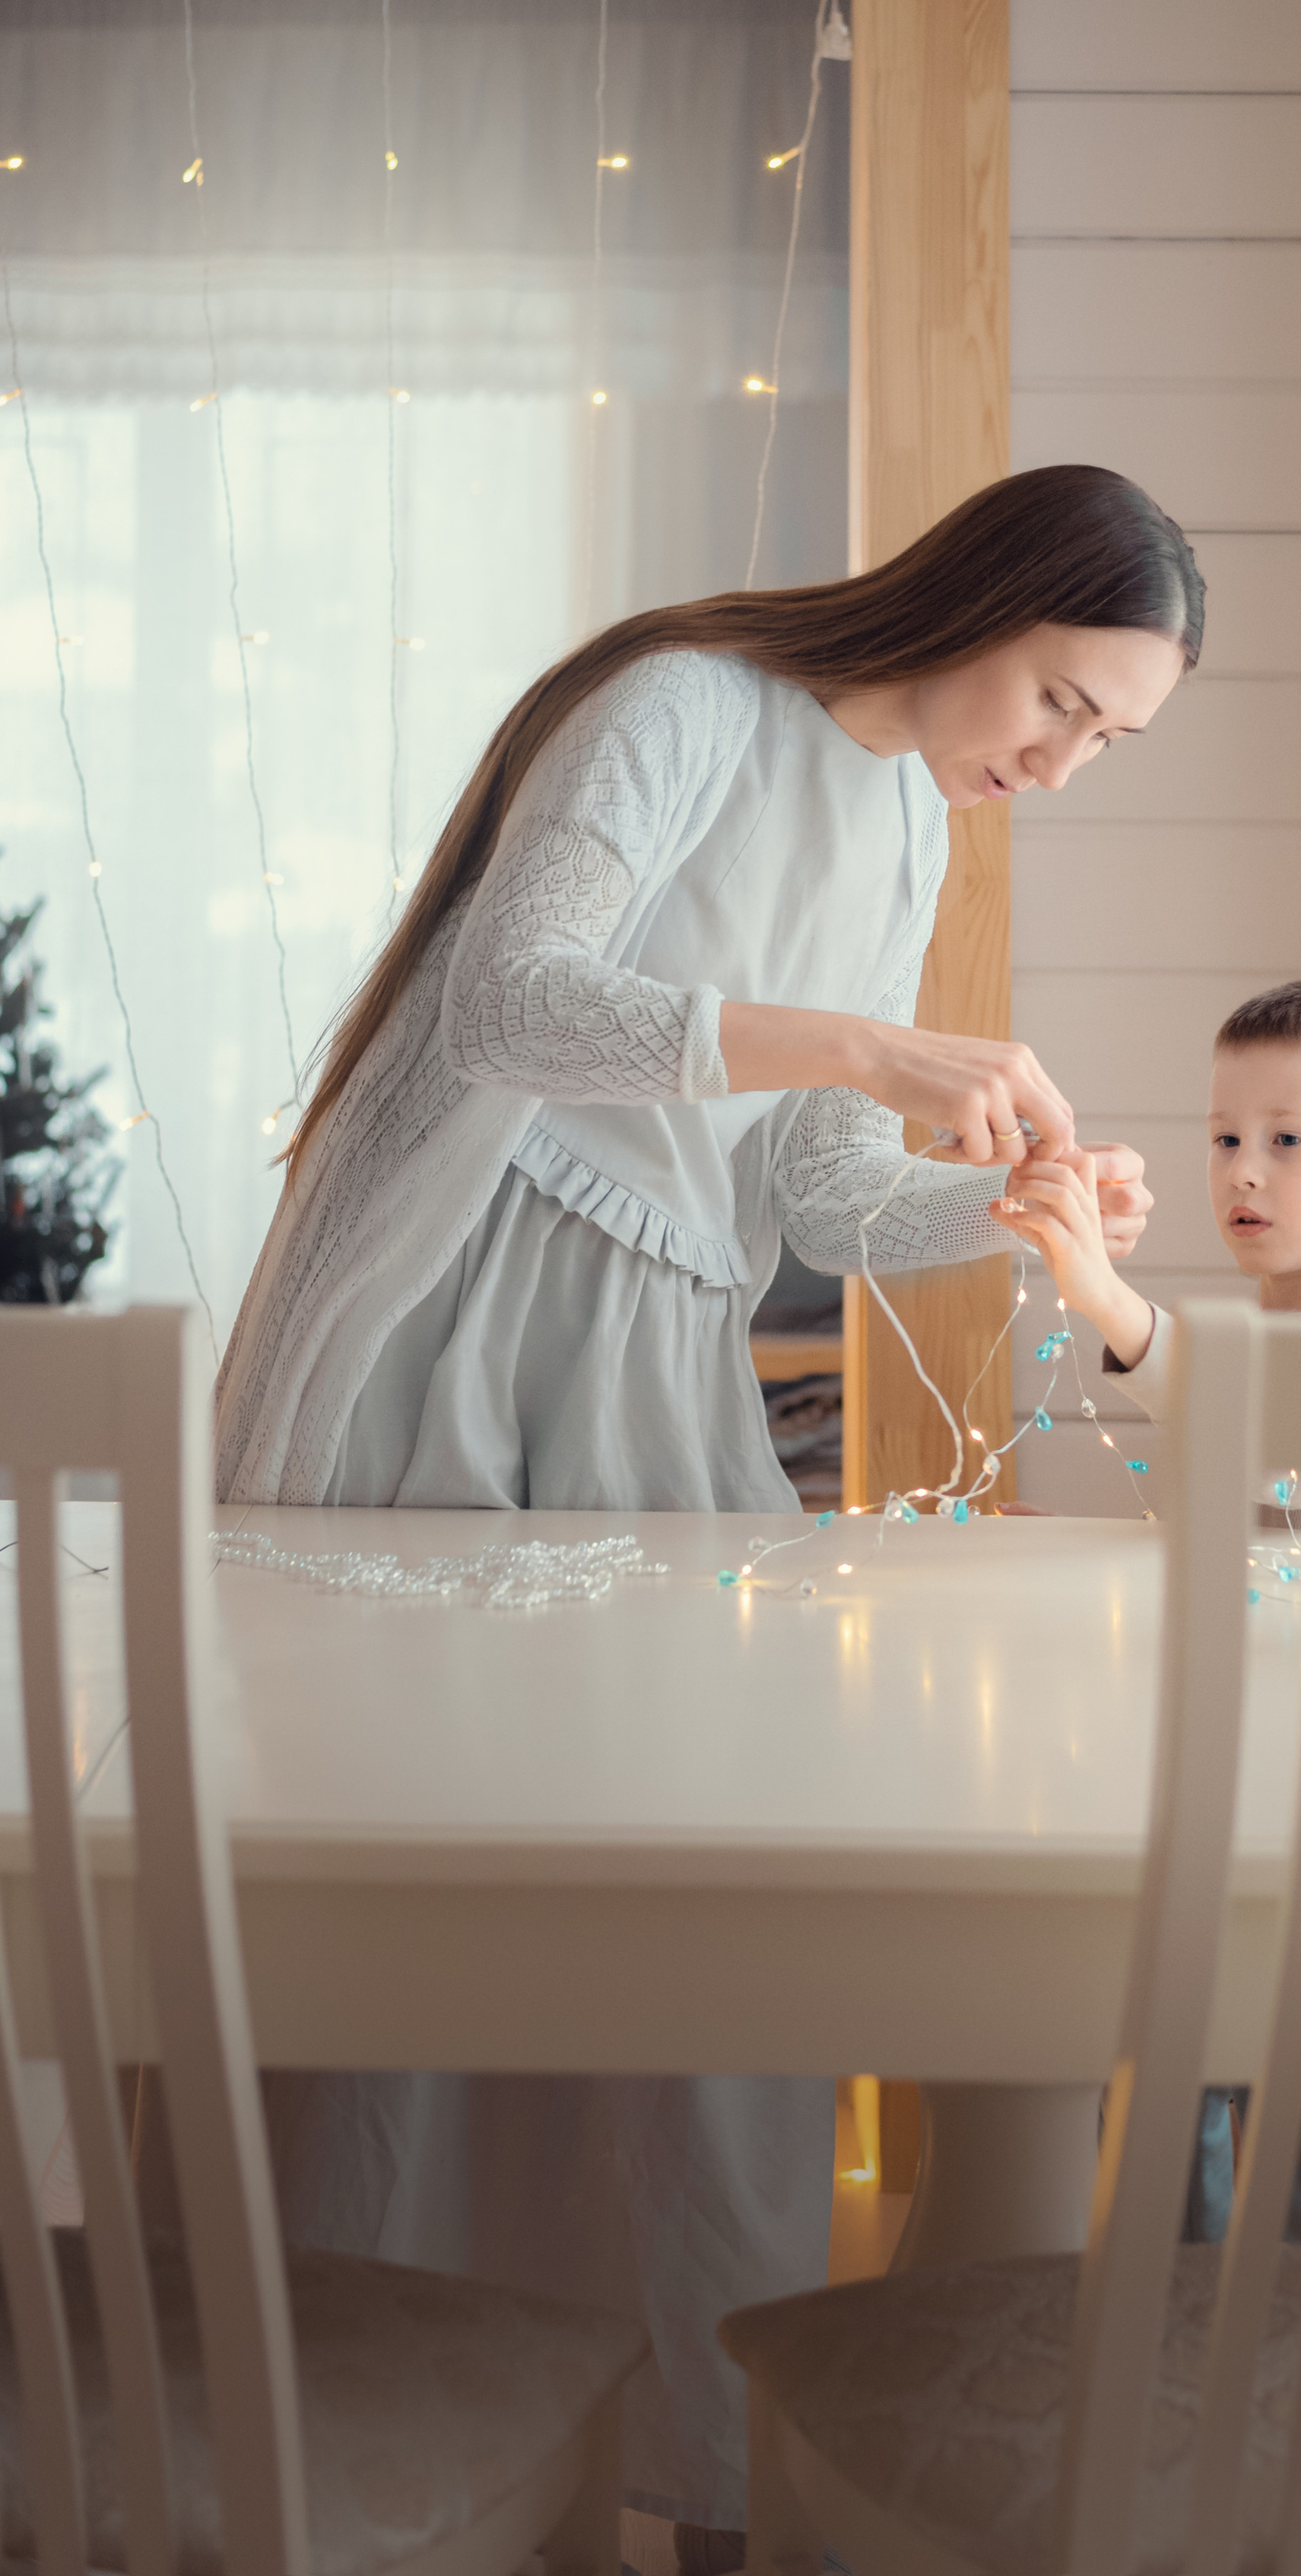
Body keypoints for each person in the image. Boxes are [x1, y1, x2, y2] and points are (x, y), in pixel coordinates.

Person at [214, 464, 1203, 2558]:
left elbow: (801, 1191)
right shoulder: (679, 706)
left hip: (655, 1349)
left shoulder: (916, 821)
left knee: (693, 1948)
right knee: (389, 1918)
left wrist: (1014, 1210)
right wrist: (867, 1038)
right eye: (1065, 697)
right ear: (986, 601)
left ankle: (677, 2470)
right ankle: (339, 2450)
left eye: (1108, 740)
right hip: (461, 1324)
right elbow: (509, 1005)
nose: (1065, 758)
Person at [995, 972, 1301, 2248]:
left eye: (1288, 1140)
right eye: (1227, 1137)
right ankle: (1185, 2313)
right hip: (1228, 1791)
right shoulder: (1271, 1345)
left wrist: (1113, 1307)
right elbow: (1237, 1526)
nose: (1245, 1168)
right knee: (1183, 2078)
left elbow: (1277, 1434)